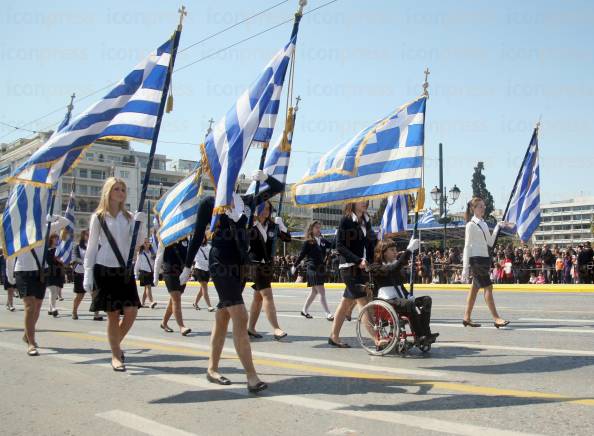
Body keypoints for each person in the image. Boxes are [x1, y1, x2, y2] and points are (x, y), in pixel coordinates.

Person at [180, 170, 283, 393]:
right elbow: (198, 235)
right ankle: (251, 376)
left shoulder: (247, 201)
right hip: (220, 263)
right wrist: (188, 266)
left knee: (223, 315)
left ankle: (212, 369)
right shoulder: (210, 203)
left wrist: (264, 178)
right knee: (240, 314)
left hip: (240, 265)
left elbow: (278, 188)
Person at [84, 177, 145, 371]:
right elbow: (92, 247)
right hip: (104, 268)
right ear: (108, 192)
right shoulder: (99, 217)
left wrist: (141, 225)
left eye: (123, 189)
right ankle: (115, 355)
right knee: (112, 315)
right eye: (116, 189)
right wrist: (87, 272)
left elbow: (136, 244)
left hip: (124, 270)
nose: (120, 192)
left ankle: (115, 345)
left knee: (131, 311)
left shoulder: (129, 217)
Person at [5, 214, 69, 356]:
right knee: (30, 307)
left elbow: (65, 221)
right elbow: (10, 255)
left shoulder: (45, 229)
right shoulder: (19, 232)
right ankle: (31, 343)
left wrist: (52, 217)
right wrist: (10, 276)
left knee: (38, 307)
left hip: (41, 271)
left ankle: (27, 334)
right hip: (23, 271)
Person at [370, 238, 438, 346]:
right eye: (392, 249)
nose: (395, 252)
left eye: (395, 249)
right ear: (383, 252)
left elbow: (400, 286)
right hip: (387, 301)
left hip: (400, 300)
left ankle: (426, 332)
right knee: (409, 304)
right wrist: (409, 250)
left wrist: (408, 295)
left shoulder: (395, 265)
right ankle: (420, 336)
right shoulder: (375, 267)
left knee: (426, 300)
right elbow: (391, 269)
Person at [328, 201, 377, 348]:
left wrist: (373, 261)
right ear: (353, 202)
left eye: (368, 200)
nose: (366, 202)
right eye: (362, 200)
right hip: (349, 267)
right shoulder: (346, 220)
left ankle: (334, 337)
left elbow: (370, 244)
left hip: (362, 267)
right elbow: (339, 246)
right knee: (363, 302)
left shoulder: (366, 221)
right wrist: (357, 260)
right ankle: (377, 338)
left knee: (346, 303)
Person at [461, 197, 511, 328]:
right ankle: (496, 318)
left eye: (483, 206)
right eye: (480, 206)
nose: (483, 208)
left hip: (484, 259)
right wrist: (464, 267)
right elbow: (467, 246)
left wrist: (498, 226)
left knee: (474, 289)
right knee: (488, 287)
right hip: (476, 259)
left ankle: (466, 317)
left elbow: (490, 242)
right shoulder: (470, 225)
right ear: (473, 209)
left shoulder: (483, 223)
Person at [246, 200, 291, 340]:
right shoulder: (250, 225)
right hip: (254, 264)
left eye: (268, 208)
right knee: (267, 295)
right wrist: (249, 225)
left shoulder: (273, 225)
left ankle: (250, 328)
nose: (266, 210)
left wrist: (282, 226)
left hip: (267, 265)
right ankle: (276, 328)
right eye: (263, 207)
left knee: (258, 298)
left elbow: (287, 239)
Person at [293, 220, 334, 321]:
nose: (318, 229)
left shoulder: (323, 241)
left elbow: (333, 244)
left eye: (319, 227)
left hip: (320, 269)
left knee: (314, 292)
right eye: (316, 227)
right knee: (321, 291)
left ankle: (304, 310)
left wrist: (338, 236)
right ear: (311, 229)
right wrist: (295, 265)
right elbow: (302, 254)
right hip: (312, 268)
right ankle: (327, 313)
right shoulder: (308, 242)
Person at [153, 238, 192, 336]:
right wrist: (156, 276)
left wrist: (188, 270)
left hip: (182, 273)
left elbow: (188, 256)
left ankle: (164, 322)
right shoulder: (165, 239)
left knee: (173, 301)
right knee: (176, 299)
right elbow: (158, 258)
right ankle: (181, 326)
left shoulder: (185, 239)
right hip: (170, 272)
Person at [71, 230, 103, 320]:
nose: (89, 236)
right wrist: (86, 263)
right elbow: (75, 258)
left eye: (90, 235)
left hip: (93, 272)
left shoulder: (97, 246)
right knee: (80, 295)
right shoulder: (77, 247)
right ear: (83, 236)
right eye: (87, 235)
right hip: (80, 273)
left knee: (95, 294)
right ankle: (74, 311)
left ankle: (96, 314)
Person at [192, 235, 214, 312]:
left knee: (202, 289)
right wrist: (208, 263)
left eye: (203, 238)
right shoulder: (196, 247)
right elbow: (197, 259)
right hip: (199, 269)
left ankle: (195, 303)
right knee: (204, 287)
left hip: (207, 269)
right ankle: (209, 306)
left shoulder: (208, 246)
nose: (202, 239)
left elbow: (212, 256)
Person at [46, 233, 64, 317]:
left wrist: (62, 261)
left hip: (58, 271)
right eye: (55, 238)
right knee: (52, 290)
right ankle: (53, 308)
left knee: (55, 291)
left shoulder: (59, 250)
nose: (57, 240)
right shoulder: (47, 249)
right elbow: (48, 261)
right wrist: (57, 259)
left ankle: (50, 309)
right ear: (51, 239)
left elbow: (63, 261)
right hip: (49, 271)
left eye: (57, 238)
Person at [135, 239, 157, 309]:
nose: (147, 243)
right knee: (148, 287)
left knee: (146, 288)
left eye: (148, 242)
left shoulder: (151, 252)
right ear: (143, 244)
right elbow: (137, 263)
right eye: (145, 242)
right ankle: (151, 302)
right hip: (143, 272)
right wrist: (135, 273)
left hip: (150, 272)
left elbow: (153, 263)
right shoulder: (141, 253)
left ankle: (142, 302)